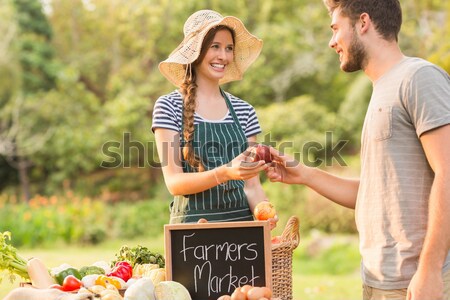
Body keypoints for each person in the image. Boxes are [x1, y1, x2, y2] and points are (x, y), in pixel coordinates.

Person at [266, 0, 450, 299]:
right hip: (379, 280)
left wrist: (429, 270)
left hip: (417, 281)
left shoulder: (418, 77)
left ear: (363, 22)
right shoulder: (381, 89)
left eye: (335, 29)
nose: (331, 42)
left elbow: (448, 173)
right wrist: (304, 175)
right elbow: (375, 195)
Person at [152, 10, 277, 227]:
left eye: (229, 48)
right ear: (196, 52)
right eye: (215, 46)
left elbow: (252, 185)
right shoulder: (169, 106)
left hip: (242, 235)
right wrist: (225, 172)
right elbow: (174, 183)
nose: (224, 56)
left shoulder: (244, 110)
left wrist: (263, 213)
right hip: (192, 234)